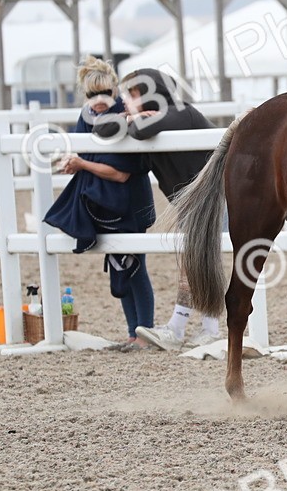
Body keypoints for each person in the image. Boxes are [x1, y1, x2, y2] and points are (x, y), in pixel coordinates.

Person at [91, 67, 222, 352]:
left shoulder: (180, 112)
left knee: (196, 260)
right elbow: (100, 128)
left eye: (132, 95)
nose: (125, 100)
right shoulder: (155, 119)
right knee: (194, 260)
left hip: (220, 196)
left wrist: (135, 119)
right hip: (194, 202)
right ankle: (197, 327)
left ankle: (189, 328)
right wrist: (132, 115)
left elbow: (140, 129)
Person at [43, 57, 156, 349]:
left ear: (114, 90)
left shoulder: (125, 114)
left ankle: (144, 333)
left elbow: (120, 174)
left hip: (129, 203)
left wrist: (81, 164)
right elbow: (82, 152)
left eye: (105, 92)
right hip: (103, 203)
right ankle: (133, 332)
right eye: (92, 94)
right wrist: (73, 162)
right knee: (120, 266)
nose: (99, 99)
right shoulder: (86, 117)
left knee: (134, 266)